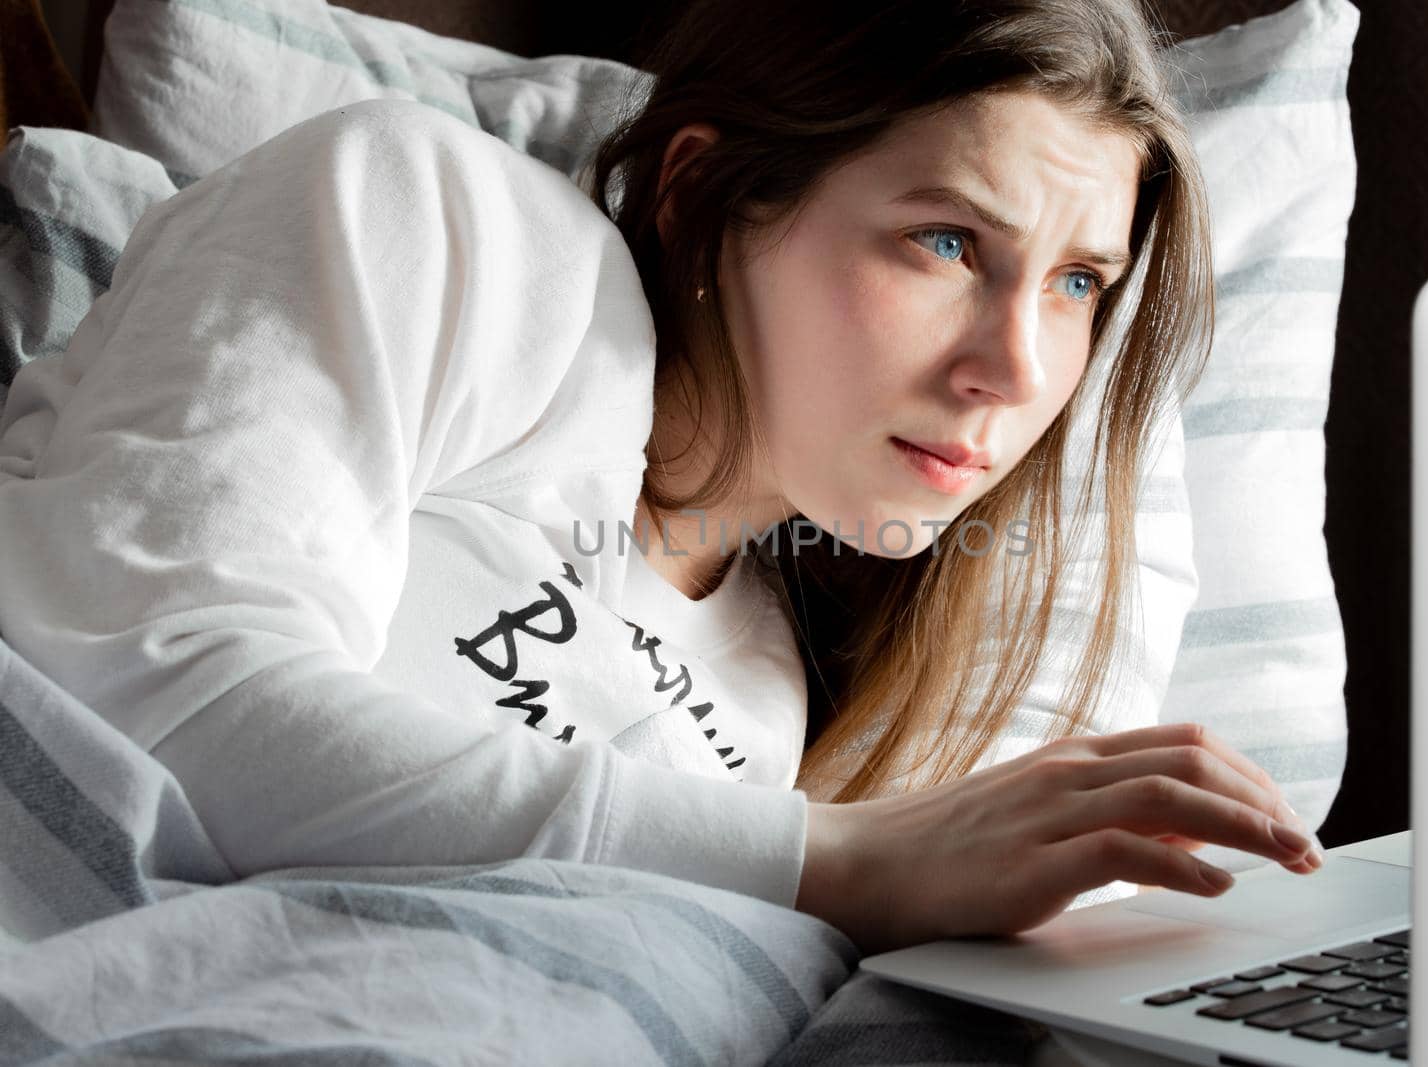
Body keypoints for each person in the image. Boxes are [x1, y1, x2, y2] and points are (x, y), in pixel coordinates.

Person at [0, 0, 1322, 959]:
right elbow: (151, 683)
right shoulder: (442, 216)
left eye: (1080, 282)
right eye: (945, 241)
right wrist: (845, 861)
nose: (1016, 367)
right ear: (704, 190)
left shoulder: (760, 699)